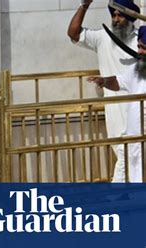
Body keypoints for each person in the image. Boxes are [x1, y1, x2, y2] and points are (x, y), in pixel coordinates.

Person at [67, 0, 140, 182]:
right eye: (113, 15)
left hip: (137, 107)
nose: (115, 19)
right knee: (124, 153)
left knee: (127, 154)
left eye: (120, 16)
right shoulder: (103, 38)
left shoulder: (141, 40)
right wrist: (84, 5)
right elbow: (73, 33)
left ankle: (117, 196)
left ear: (131, 18)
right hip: (114, 107)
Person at [87, 25, 146, 183]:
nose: (140, 52)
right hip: (134, 135)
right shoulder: (137, 69)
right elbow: (118, 81)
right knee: (128, 163)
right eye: (139, 47)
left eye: (144, 48)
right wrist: (104, 81)